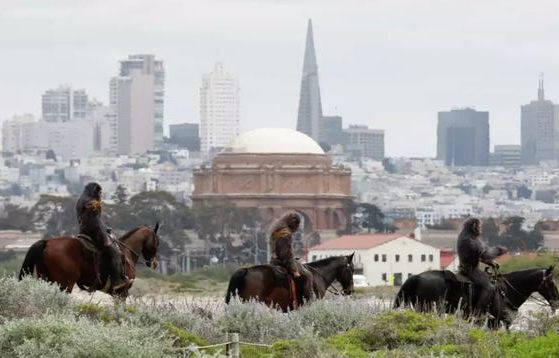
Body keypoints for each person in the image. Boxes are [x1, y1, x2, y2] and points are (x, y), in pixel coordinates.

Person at [76, 182, 130, 291]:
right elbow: (95, 221)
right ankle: (117, 281)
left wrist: (105, 228)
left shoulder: (81, 200)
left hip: (85, 231)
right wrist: (104, 232)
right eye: (99, 192)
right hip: (94, 232)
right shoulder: (93, 203)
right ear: (94, 192)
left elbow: (96, 220)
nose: (100, 195)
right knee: (114, 252)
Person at [457, 217, 511, 324]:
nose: (480, 229)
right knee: (489, 287)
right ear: (474, 226)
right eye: (479, 226)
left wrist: (491, 263)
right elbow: (485, 254)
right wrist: (499, 250)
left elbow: (480, 256)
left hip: (469, 267)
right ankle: (477, 314)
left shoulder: (468, 237)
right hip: (470, 269)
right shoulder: (469, 240)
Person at [269, 212, 313, 302]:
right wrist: (294, 270)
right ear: (294, 224)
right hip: (281, 262)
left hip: (273, 261)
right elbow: (286, 255)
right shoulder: (286, 233)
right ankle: (308, 302)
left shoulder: (276, 230)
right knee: (308, 275)